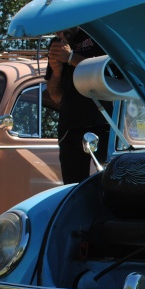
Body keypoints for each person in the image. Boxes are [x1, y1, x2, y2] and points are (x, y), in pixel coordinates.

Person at [47, 27, 111, 184]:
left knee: (108, 182)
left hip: (103, 123)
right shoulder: (56, 43)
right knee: (73, 187)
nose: (58, 33)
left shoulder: (97, 34)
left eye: (61, 28)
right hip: (70, 127)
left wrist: (71, 58)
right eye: (56, 30)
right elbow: (55, 96)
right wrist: (56, 72)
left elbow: (106, 72)